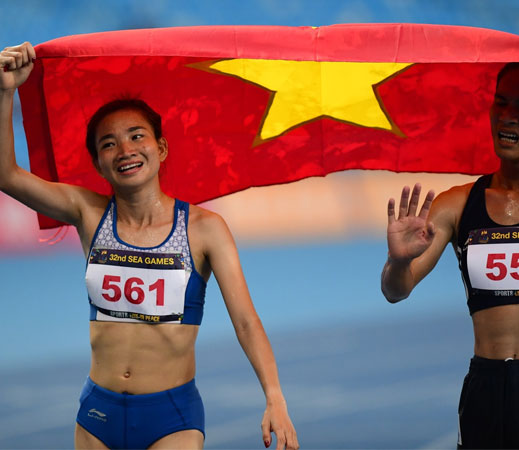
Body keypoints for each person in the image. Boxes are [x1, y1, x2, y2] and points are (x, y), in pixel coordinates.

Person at [0, 42, 299, 450]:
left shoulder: (205, 229)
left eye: (136, 136)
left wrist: (275, 396)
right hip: (97, 415)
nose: (125, 150)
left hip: (171, 418)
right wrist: (6, 92)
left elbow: (246, 321)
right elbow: (7, 175)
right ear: (98, 164)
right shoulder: (88, 213)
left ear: (160, 148)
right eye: (108, 144)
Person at [381, 54, 519, 449]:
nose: (507, 116)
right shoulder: (457, 203)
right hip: (486, 390)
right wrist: (398, 262)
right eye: (501, 102)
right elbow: (396, 290)